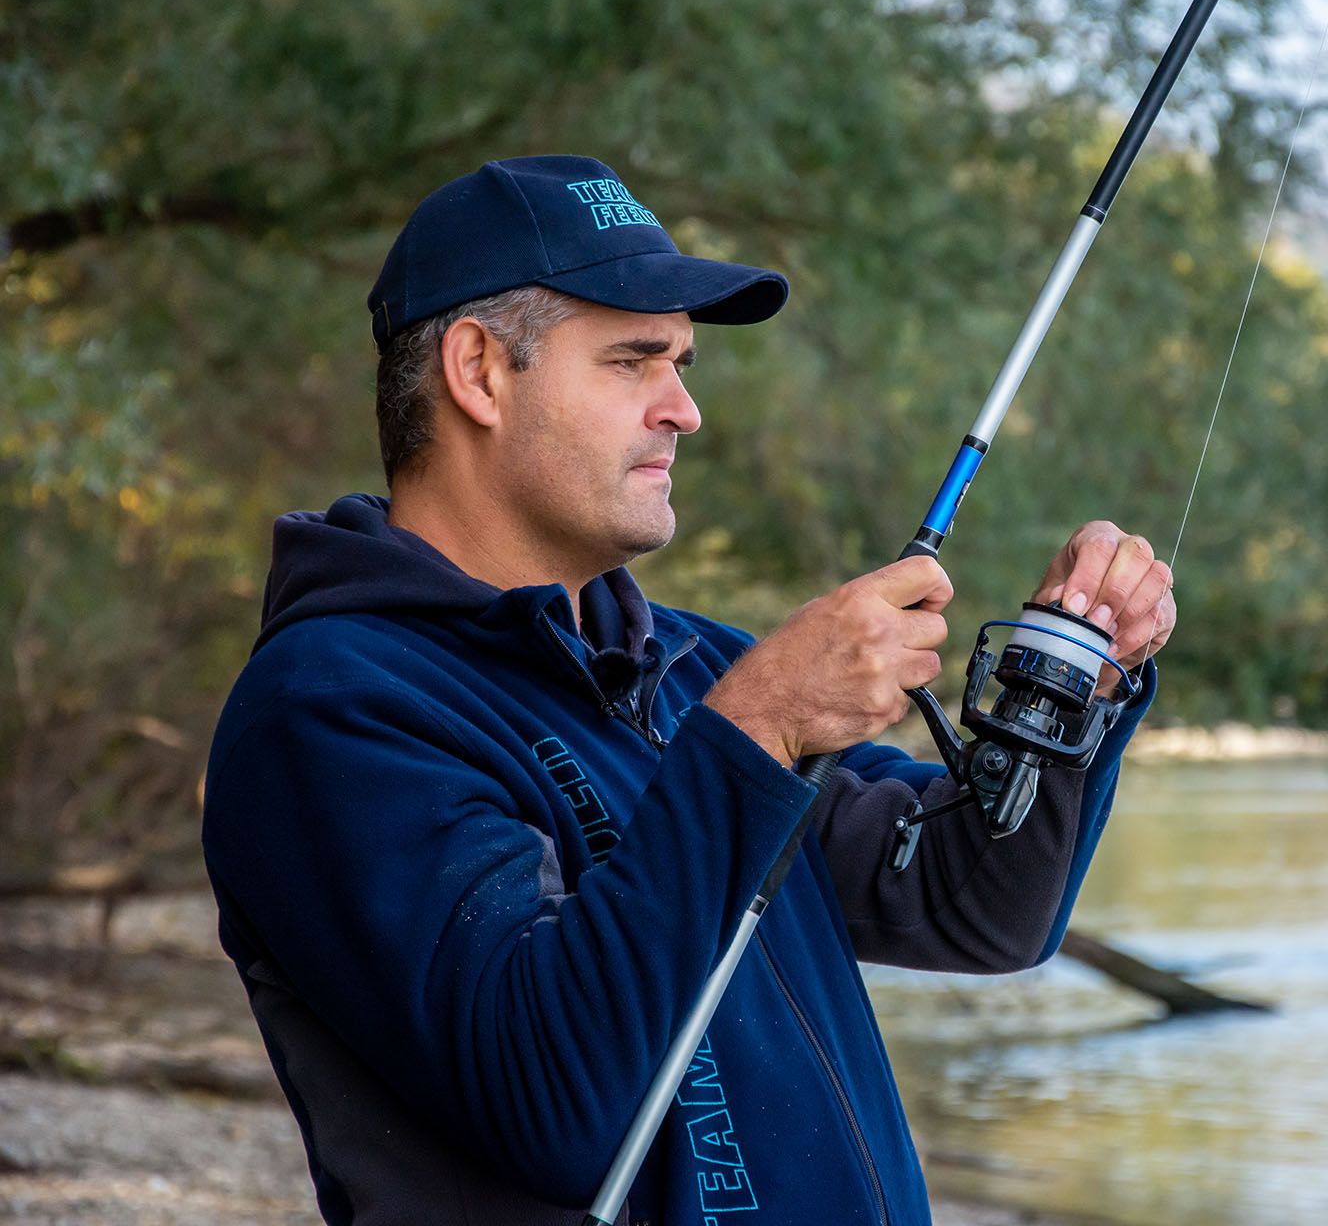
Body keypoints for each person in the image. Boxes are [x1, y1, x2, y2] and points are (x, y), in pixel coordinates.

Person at [201, 154, 1176, 1226]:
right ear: (477, 370)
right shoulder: (330, 707)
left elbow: (971, 907)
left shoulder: (687, 668)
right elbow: (548, 1091)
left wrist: (1066, 685)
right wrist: (758, 728)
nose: (685, 409)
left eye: (683, 362)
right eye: (635, 359)